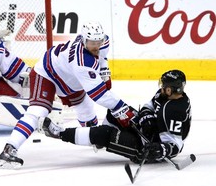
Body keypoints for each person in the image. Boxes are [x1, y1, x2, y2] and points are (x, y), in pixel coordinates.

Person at [0, 21, 136, 169]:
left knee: (86, 108)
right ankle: (9, 148)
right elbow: (99, 95)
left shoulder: (103, 41)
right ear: (83, 40)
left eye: (98, 42)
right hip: (47, 74)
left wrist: (104, 71)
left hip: (70, 79)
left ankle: (93, 136)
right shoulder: (82, 62)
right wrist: (122, 107)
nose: (96, 46)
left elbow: (102, 56)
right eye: (91, 43)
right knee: (38, 112)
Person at [42, 69, 192, 164]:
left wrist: (160, 150)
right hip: (150, 131)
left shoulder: (175, 111)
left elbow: (176, 145)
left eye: (165, 86)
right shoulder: (164, 95)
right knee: (117, 112)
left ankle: (60, 133)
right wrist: (146, 116)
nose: (161, 87)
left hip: (147, 149)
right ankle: (97, 139)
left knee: (104, 134)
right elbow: (150, 105)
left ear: (172, 89)